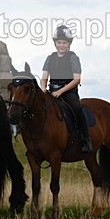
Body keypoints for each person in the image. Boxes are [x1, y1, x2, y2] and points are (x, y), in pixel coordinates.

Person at [40, 24, 92, 153]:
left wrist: (60, 92)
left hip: (68, 92)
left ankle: (86, 139)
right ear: (55, 43)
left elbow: (76, 79)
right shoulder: (50, 58)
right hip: (52, 91)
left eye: (64, 42)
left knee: (77, 108)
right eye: (59, 42)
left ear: (69, 44)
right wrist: (43, 89)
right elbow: (44, 78)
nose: (61, 45)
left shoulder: (73, 58)